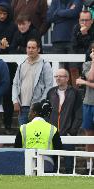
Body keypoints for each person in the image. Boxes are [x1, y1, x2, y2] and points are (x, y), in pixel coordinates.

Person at [47, 68, 82, 174]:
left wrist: (72, 132)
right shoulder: (51, 92)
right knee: (52, 165)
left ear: (67, 78)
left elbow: (79, 114)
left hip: (68, 134)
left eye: (61, 76)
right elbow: (47, 112)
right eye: (56, 76)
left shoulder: (75, 93)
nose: (58, 78)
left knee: (69, 165)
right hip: (53, 133)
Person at [12, 39, 53, 126]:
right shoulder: (21, 65)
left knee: (37, 136)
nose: (30, 50)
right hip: (22, 108)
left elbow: (49, 86)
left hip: (37, 108)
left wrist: (40, 103)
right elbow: (15, 84)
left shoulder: (45, 65)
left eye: (33, 48)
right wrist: (15, 100)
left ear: (38, 49)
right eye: (29, 47)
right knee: (24, 136)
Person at [14, 100, 63, 172]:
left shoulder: (23, 128)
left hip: (27, 165)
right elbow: (58, 150)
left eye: (30, 111)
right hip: (47, 165)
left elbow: (17, 149)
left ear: (34, 113)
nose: (28, 113)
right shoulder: (53, 129)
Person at [47, 0, 83, 88]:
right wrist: (67, 13)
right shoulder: (55, 1)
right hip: (57, 40)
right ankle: (59, 94)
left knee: (73, 69)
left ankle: (76, 95)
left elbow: (74, 13)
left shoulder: (77, 0)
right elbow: (49, 18)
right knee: (58, 70)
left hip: (73, 40)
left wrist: (58, 12)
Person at [76, 43, 94, 174]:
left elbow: (89, 80)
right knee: (89, 136)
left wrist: (84, 83)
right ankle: (89, 166)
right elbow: (91, 77)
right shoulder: (87, 64)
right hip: (88, 104)